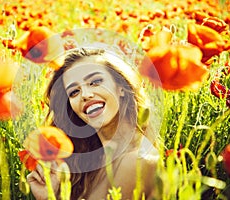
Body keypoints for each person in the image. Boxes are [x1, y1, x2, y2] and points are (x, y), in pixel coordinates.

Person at [26, 47, 159, 200]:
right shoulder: (94, 163)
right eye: (74, 92)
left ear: (121, 87)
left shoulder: (137, 161)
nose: (85, 95)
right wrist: (51, 195)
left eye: (95, 82)